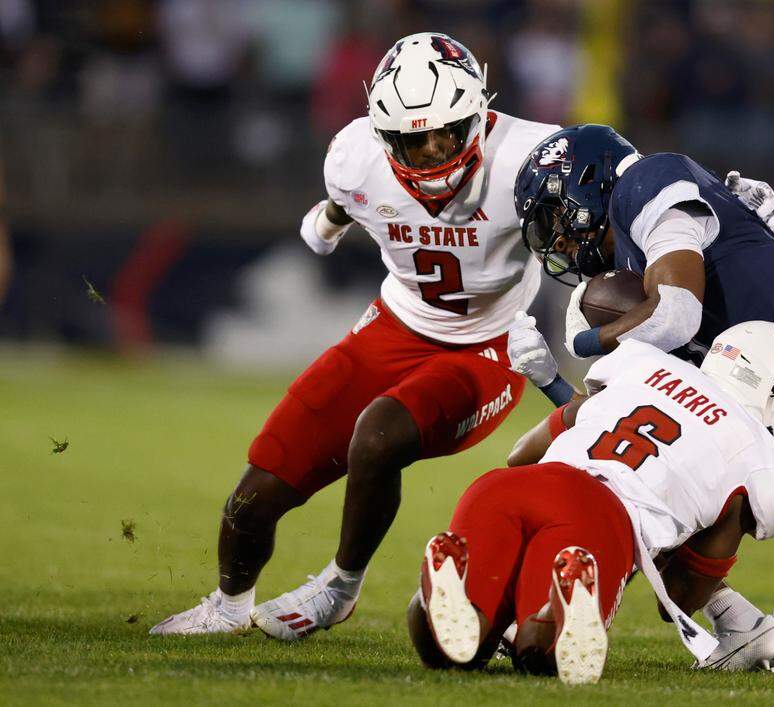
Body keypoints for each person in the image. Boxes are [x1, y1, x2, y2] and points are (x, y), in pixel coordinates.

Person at [150, 32, 562, 638]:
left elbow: (613, 206)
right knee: (261, 482)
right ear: (382, 134)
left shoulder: (530, 157)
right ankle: (229, 605)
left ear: (477, 113)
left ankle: (339, 587)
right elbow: (342, 203)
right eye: (411, 140)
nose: (431, 153)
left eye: (446, 132)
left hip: (489, 345)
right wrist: (331, 219)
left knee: (378, 434)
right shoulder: (355, 158)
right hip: (394, 324)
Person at [508, 123, 774, 667]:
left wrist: (587, 340)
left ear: (588, 181)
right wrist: (548, 381)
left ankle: (539, 613)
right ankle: (743, 628)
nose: (558, 242)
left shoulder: (645, 181)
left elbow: (677, 313)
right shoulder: (647, 227)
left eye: (556, 219)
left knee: (614, 484)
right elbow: (615, 418)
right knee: (672, 580)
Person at [408, 321, 774, 684]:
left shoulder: (643, 365)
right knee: (541, 654)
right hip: (596, 515)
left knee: (450, 648)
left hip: (508, 488)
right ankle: (562, 603)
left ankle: (445, 586)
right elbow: (679, 597)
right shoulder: (762, 463)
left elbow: (521, 455)